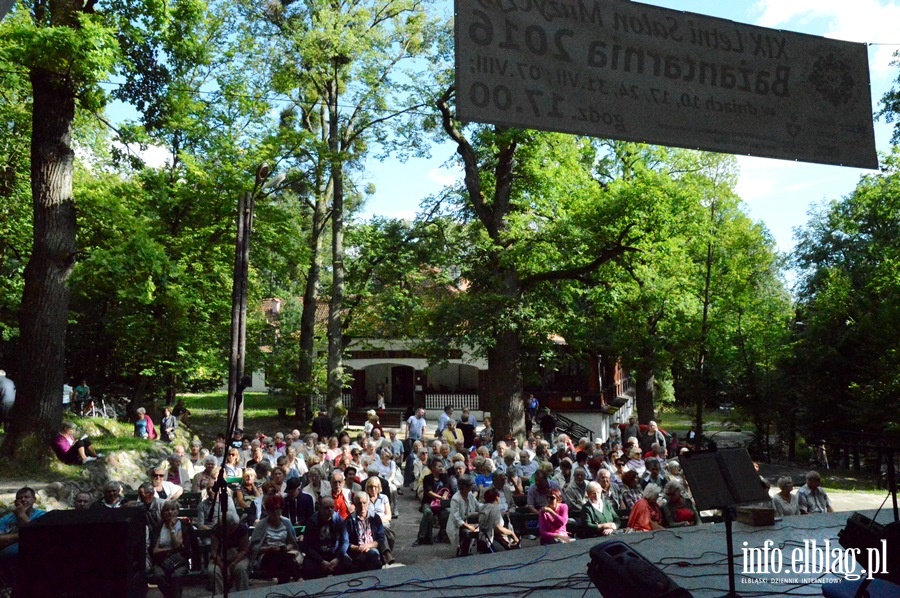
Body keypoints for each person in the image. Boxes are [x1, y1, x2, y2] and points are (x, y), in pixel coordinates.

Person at [249, 494, 303, 584]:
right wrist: (269, 549)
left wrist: (285, 547)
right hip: (266, 556)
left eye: (278, 509)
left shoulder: (286, 522)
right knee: (283, 558)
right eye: (272, 510)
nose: (276, 512)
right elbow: (254, 548)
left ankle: (283, 585)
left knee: (283, 561)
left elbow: (292, 542)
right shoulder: (262, 525)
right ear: (268, 511)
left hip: (283, 553)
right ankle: (298, 579)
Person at [151, 500, 197, 598]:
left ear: (177, 511)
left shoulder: (183, 525)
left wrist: (171, 530)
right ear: (163, 513)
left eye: (173, 509)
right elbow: (155, 551)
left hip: (180, 560)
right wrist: (170, 550)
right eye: (167, 510)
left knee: (176, 576)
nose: (170, 512)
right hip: (162, 560)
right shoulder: (159, 526)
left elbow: (178, 545)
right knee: (159, 576)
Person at [0, 487, 45, 585]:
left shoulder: (42, 516)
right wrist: (23, 536)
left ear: (34, 500)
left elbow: (38, 537)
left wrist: (22, 515)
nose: (23, 500)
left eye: (27, 497)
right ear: (15, 502)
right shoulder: (6, 519)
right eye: (20, 498)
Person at [301, 497, 352, 580]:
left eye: (332, 507)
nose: (330, 510)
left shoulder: (338, 520)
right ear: (320, 508)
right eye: (326, 508)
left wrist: (337, 559)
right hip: (318, 554)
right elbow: (306, 546)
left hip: (334, 553)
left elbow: (345, 541)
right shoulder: (312, 521)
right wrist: (321, 561)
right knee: (308, 567)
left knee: (347, 562)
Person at [208, 511, 250, 594]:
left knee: (241, 569)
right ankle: (219, 595)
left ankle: (243, 595)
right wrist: (223, 567)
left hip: (238, 557)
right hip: (220, 558)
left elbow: (244, 550)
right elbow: (214, 552)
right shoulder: (216, 530)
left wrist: (233, 564)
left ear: (233, 525)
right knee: (214, 571)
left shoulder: (241, 529)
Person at [346, 492, 386, 571]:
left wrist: (368, 546)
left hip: (371, 547)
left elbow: (381, 538)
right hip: (357, 550)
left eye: (364, 503)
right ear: (355, 505)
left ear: (368, 504)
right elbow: (346, 542)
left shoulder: (375, 518)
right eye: (359, 503)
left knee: (373, 554)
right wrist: (358, 548)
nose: (362, 506)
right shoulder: (350, 520)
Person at [477, 488, 519, 553]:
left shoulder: (482, 508)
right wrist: (512, 533)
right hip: (491, 541)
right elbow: (498, 528)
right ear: (497, 497)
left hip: (481, 540)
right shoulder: (494, 509)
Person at [447, 477, 480, 556]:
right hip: (458, 526)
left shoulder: (470, 495)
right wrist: (469, 527)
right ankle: (463, 553)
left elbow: (478, 506)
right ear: (464, 487)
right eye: (469, 485)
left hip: (468, 522)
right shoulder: (455, 499)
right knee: (466, 533)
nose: (471, 487)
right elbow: (456, 518)